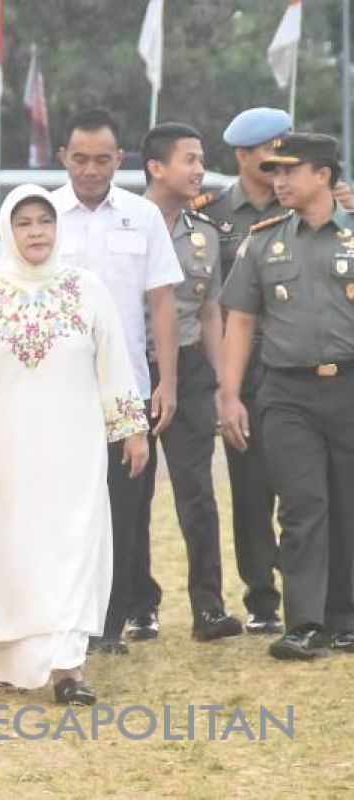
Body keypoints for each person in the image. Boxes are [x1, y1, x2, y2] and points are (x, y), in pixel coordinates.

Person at [0, 185, 148, 704]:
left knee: (70, 544)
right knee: (9, 550)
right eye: (24, 223)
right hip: (0, 451)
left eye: (44, 222)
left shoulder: (85, 289)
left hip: (72, 448)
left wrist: (131, 427)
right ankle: (8, 659)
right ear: (9, 229)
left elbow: (114, 361)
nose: (35, 233)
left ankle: (67, 669)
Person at [51, 108, 182, 655]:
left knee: (125, 504)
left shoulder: (142, 216)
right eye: (79, 158)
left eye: (101, 159)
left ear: (119, 160)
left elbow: (161, 304)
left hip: (126, 388)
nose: (89, 169)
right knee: (63, 505)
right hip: (56, 388)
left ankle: (110, 623)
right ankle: (63, 617)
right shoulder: (42, 215)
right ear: (63, 157)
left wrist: (166, 381)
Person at [219, 133, 354, 661]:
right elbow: (242, 319)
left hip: (349, 384)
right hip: (286, 393)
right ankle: (304, 623)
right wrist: (229, 393)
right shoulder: (264, 239)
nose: (278, 181)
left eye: (290, 171)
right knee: (302, 507)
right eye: (274, 172)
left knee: (347, 503)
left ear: (323, 175)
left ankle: (346, 618)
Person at [129, 123, 243, 643]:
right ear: (156, 167)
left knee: (197, 491)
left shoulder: (205, 234)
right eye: (190, 160)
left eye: (201, 159)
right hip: (132, 369)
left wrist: (223, 385)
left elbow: (213, 310)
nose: (200, 169)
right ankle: (138, 604)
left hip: (193, 369)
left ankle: (209, 608)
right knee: (131, 492)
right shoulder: (123, 225)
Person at [195, 107, 292, 635]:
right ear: (243, 156)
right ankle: (261, 595)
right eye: (270, 152)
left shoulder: (303, 202)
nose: (280, 163)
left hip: (292, 364)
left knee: (304, 485)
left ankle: (308, 586)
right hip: (239, 368)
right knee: (251, 489)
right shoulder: (211, 211)